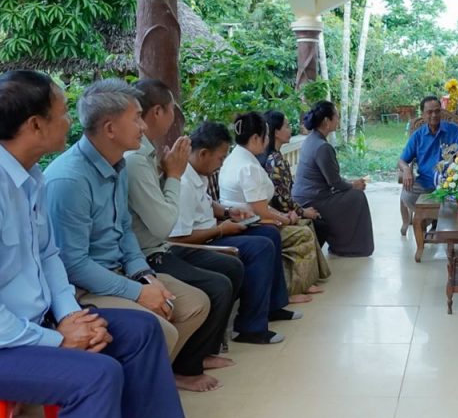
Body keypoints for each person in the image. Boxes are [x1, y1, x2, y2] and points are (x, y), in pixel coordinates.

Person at [0, 70, 202, 418]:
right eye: (63, 112)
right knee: (96, 375)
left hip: (28, 324)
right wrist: (57, 340)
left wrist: (70, 316)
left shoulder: (30, 176)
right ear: (35, 125)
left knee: (141, 331)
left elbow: (49, 256)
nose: (71, 121)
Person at [44, 79, 211, 369]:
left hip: (122, 272)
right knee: (160, 328)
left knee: (196, 303)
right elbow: (74, 264)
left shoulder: (118, 166)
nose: (143, 126)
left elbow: (125, 231)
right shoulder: (69, 180)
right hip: (85, 288)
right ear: (110, 129)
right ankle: (141, 382)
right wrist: (138, 292)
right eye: (136, 118)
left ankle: (152, 377)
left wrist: (144, 276)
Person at [125, 79, 241, 392]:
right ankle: (186, 367)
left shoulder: (148, 154)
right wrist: (173, 176)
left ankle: (203, 351)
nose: (174, 118)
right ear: (158, 111)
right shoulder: (135, 160)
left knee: (231, 267)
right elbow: (165, 225)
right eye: (171, 110)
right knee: (216, 285)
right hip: (151, 251)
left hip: (156, 246)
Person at [171, 122, 295, 345]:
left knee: (269, 233)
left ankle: (273, 306)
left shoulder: (197, 174)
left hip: (213, 232)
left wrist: (229, 212)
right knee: (261, 247)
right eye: (220, 158)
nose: (221, 164)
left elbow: (207, 203)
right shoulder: (183, 183)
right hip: (197, 245)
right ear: (203, 153)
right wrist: (221, 228)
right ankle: (250, 326)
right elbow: (178, 238)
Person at [219, 112, 324, 302]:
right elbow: (259, 209)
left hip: (251, 218)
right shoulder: (248, 167)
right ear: (255, 138)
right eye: (265, 135)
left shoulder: (236, 158)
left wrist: (284, 217)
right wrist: (286, 219)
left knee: (303, 226)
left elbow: (261, 204)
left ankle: (302, 284)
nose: (267, 140)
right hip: (249, 223)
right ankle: (292, 289)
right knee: (302, 233)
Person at [260, 109, 332, 293]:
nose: (290, 128)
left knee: (318, 222)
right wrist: (302, 212)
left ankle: (307, 278)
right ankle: (300, 281)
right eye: (286, 125)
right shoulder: (275, 160)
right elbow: (283, 200)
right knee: (318, 224)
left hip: (282, 210)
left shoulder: (273, 157)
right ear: (276, 132)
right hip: (277, 215)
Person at [293, 101, 375, 257]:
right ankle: (350, 247)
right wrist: (353, 185)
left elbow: (331, 178)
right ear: (326, 121)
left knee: (352, 193)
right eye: (336, 116)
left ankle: (344, 244)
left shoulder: (311, 140)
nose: (338, 119)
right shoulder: (323, 147)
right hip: (313, 200)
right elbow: (335, 182)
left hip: (306, 196)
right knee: (357, 197)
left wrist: (351, 183)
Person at [398, 95, 458, 235]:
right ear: (423, 115)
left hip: (450, 183)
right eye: (429, 112)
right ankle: (433, 218)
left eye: (437, 111)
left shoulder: (453, 130)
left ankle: (437, 220)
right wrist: (406, 170)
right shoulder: (418, 136)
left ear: (441, 111)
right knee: (407, 194)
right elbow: (402, 160)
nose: (434, 115)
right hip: (425, 182)